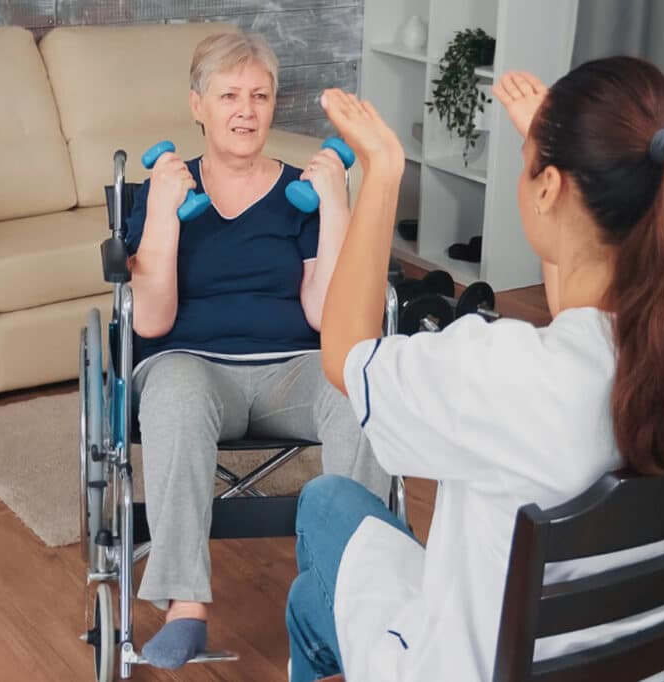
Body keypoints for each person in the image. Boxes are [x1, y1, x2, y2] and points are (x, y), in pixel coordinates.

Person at [285, 57, 664, 681]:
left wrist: (382, 174)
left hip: (477, 668)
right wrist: (560, 145)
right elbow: (583, 314)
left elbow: (346, 353)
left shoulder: (502, 370)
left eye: (528, 163)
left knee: (325, 512)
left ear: (550, 189)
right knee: (323, 589)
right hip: (646, 664)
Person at [124, 30, 389, 669]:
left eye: (260, 95)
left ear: (275, 106)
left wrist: (334, 208)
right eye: (229, 95)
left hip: (291, 371)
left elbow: (327, 316)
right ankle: (185, 609)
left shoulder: (303, 192)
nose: (246, 110)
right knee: (178, 393)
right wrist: (160, 212)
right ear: (198, 106)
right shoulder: (161, 191)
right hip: (191, 365)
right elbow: (153, 322)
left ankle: (360, 598)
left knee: (361, 384)